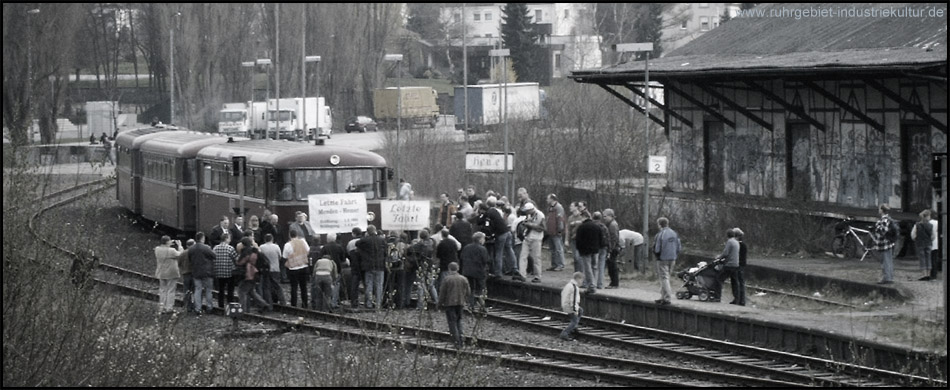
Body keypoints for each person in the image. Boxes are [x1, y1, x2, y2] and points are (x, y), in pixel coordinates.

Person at [234, 237, 272, 313]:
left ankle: (243, 311)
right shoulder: (256, 251)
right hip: (256, 274)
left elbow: (240, 263)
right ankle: (264, 304)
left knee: (242, 292)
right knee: (251, 292)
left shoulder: (245, 252)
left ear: (243, 244)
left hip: (247, 274)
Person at [438, 262, 471, 349]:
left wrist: (439, 303)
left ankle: (456, 342)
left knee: (452, 323)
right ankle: (461, 339)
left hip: (449, 303)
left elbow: (442, 293)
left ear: (449, 269)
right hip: (460, 303)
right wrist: (465, 300)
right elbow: (468, 292)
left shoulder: (447, 279)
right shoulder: (464, 279)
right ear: (458, 268)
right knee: (459, 321)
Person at [357, 225, 388, 309]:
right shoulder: (382, 240)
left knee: (369, 285)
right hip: (380, 266)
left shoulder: (365, 240)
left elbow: (357, 244)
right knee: (379, 285)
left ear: (367, 232)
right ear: (375, 231)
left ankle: (369, 303)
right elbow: (386, 251)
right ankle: (378, 304)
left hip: (368, 266)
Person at [653, 217, 681, 305]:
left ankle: (667, 297)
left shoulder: (660, 234)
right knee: (667, 277)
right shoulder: (674, 233)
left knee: (664, 278)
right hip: (673, 258)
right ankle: (663, 296)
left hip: (662, 258)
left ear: (659, 224)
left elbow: (657, 248)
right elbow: (679, 246)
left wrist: (657, 255)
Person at [869, 204, 899, 284]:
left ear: (882, 210)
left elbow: (883, 231)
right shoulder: (887, 219)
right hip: (887, 243)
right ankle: (889, 277)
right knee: (888, 260)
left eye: (879, 209)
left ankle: (887, 278)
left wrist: (877, 227)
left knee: (885, 261)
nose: (878, 210)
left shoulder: (884, 220)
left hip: (884, 243)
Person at [460, 232, 490, 312]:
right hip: (479, 272)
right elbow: (486, 260)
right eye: (483, 238)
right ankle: (482, 306)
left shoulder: (466, 247)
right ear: (480, 239)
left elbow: (462, 257)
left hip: (467, 271)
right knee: (481, 289)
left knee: (471, 289)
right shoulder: (482, 249)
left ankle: (471, 305)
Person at [517, 202, 545, 283]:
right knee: (523, 256)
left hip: (536, 238)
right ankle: (522, 274)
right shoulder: (528, 215)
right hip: (527, 237)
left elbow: (542, 228)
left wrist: (530, 225)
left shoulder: (540, 215)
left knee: (536, 257)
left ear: (530, 210)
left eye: (527, 211)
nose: (526, 212)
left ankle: (538, 276)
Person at [282, 229, 311, 308]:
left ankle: (293, 304)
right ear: (297, 235)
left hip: (293, 268)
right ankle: (305, 304)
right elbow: (308, 251)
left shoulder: (288, 245)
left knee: (294, 287)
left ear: (289, 235)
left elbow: (284, 256)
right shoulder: (303, 241)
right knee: (303, 287)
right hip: (304, 266)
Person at [189, 232, 216, 315]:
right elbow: (214, 256)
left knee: (197, 290)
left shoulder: (191, 248)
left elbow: (190, 258)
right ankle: (209, 307)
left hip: (196, 272)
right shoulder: (206, 248)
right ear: (202, 238)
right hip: (207, 272)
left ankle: (198, 308)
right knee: (208, 290)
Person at [574, 216, 602, 294]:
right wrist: (599, 247)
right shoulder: (597, 226)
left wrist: (579, 249)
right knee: (595, 267)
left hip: (585, 251)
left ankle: (591, 286)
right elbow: (601, 238)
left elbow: (578, 240)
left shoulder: (581, 227)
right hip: (595, 250)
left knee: (587, 268)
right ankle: (594, 284)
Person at [154, 236, 182, 314]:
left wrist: (168, 244)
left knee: (162, 290)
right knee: (171, 290)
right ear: (167, 242)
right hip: (171, 273)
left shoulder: (157, 249)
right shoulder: (172, 250)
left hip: (161, 272)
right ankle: (169, 308)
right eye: (169, 241)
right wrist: (180, 246)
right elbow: (180, 255)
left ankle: (162, 307)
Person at [320, 233, 348, 308]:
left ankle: (326, 302)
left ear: (327, 239)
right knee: (336, 285)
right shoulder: (339, 247)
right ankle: (334, 302)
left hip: (327, 269)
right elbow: (343, 259)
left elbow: (320, 257)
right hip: (337, 269)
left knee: (326, 286)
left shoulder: (324, 248)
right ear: (335, 239)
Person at [712, 229, 740, 303]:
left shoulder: (730, 242)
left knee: (718, 279)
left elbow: (726, 253)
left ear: (727, 235)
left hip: (729, 265)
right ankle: (737, 299)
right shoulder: (736, 242)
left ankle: (717, 297)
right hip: (736, 264)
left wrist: (718, 257)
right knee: (734, 282)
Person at [258, 233, 286, 306]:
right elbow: (280, 257)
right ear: (272, 239)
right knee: (277, 286)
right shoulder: (276, 247)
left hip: (265, 270)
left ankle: (269, 302)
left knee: (267, 287)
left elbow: (259, 258)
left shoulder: (261, 247)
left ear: (265, 239)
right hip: (276, 268)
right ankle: (282, 301)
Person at [213, 233, 239, 308]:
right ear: (226, 238)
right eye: (229, 238)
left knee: (221, 290)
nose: (230, 240)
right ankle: (230, 304)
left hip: (219, 272)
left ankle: (220, 305)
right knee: (230, 290)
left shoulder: (215, 248)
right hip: (229, 272)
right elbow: (236, 259)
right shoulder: (230, 248)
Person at [567, 201, 592, 273]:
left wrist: (576, 222)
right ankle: (576, 272)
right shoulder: (570, 217)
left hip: (581, 239)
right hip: (573, 239)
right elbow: (568, 229)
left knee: (579, 257)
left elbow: (588, 221)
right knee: (575, 257)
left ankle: (580, 272)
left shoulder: (583, 216)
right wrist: (567, 239)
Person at [559, 272, 585, 341]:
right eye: (581, 280)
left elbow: (562, 293)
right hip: (570, 306)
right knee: (574, 320)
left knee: (581, 310)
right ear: (578, 279)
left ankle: (574, 328)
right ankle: (565, 333)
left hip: (565, 304)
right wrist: (575, 310)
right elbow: (573, 300)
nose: (582, 282)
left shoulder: (568, 285)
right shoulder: (574, 287)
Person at [910, 210, 935, 281]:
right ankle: (928, 274)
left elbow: (913, 235)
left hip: (920, 243)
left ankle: (923, 274)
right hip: (928, 243)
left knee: (922, 258)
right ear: (927, 216)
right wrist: (930, 240)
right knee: (928, 258)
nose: (930, 217)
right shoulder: (931, 225)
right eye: (929, 216)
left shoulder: (917, 225)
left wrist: (916, 239)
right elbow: (933, 236)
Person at [544, 194, 567, 272]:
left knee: (558, 249)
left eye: (548, 198)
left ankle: (560, 265)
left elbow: (560, 219)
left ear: (552, 199)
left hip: (556, 232)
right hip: (550, 231)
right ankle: (554, 264)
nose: (547, 200)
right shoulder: (550, 208)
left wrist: (560, 229)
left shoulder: (559, 207)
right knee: (552, 249)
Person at [603, 209, 621, 289]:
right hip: (613, 247)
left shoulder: (612, 225)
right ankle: (613, 282)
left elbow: (614, 238)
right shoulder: (611, 224)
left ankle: (614, 283)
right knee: (611, 265)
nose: (604, 218)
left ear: (610, 216)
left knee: (612, 265)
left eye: (605, 216)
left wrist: (610, 249)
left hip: (613, 248)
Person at [347, 227, 365, 308]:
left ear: (354, 233)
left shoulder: (351, 243)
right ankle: (368, 301)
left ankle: (354, 302)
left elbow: (348, 253)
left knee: (354, 285)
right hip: (364, 266)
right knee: (367, 284)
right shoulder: (364, 241)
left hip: (354, 266)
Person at [177, 239, 196, 313]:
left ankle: (188, 306)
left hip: (186, 274)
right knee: (194, 291)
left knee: (186, 290)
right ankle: (194, 305)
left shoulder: (183, 253)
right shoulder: (195, 253)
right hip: (194, 274)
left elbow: (179, 263)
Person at [592, 211, 609, 289]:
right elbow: (608, 238)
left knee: (594, 266)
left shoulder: (592, 226)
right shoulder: (604, 226)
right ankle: (600, 284)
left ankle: (593, 283)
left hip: (595, 248)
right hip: (604, 247)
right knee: (601, 266)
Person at [730, 228, 747, 306]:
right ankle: (741, 300)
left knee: (736, 282)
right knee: (741, 282)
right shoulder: (743, 245)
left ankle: (737, 299)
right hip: (741, 265)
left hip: (737, 265)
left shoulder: (736, 245)